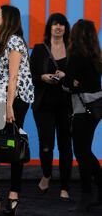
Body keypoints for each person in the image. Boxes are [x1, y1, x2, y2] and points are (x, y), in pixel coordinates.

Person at [0, 4, 34, 216]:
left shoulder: (14, 41)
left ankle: (12, 194)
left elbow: (13, 77)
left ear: (7, 19)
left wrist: (9, 106)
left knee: (14, 143)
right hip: (2, 100)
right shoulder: (0, 41)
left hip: (15, 100)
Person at [30, 13, 73, 201]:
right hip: (44, 104)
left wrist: (66, 75)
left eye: (62, 24)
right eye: (55, 24)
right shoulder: (39, 49)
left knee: (65, 146)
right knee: (46, 145)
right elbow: (30, 75)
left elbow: (78, 76)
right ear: (49, 27)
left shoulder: (72, 49)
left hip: (67, 105)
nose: (58, 27)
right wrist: (43, 77)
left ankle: (65, 186)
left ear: (66, 28)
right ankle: (46, 175)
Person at [64, 19, 102, 212]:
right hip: (96, 108)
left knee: (81, 152)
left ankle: (87, 194)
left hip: (82, 109)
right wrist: (73, 82)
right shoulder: (96, 55)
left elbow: (69, 83)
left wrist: (67, 81)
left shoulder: (76, 55)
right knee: (86, 150)